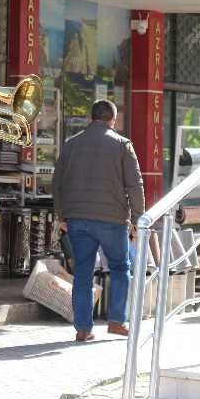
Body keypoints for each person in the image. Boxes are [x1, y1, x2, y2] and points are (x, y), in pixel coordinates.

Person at [52, 100, 145, 342]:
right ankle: (116, 321)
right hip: (112, 220)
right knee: (120, 267)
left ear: (90, 118)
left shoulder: (71, 144)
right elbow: (134, 184)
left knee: (82, 272)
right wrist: (137, 218)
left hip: (78, 220)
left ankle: (83, 328)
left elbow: (57, 182)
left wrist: (62, 214)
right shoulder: (123, 145)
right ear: (113, 120)